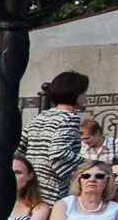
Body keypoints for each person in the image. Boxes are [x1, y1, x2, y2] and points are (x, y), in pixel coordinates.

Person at [25, 70, 89, 204]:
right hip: (52, 187)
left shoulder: (40, 117)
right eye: (84, 92)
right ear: (75, 94)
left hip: (31, 185)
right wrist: (87, 163)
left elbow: (20, 147)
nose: (85, 96)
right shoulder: (70, 118)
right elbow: (58, 152)